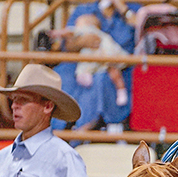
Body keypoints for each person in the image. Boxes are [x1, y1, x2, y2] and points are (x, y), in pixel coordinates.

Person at [52, 0, 140, 130]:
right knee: (62, 75)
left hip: (119, 66)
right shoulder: (84, 10)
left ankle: (88, 128)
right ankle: (60, 128)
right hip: (81, 62)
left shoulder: (133, 10)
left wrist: (122, 8)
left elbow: (141, 30)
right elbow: (66, 45)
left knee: (102, 79)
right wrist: (82, 42)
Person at [52, 13, 130, 106]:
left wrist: (56, 33)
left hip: (99, 56)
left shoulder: (85, 29)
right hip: (109, 56)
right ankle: (121, 90)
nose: (76, 24)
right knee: (114, 72)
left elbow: (69, 31)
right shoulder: (101, 34)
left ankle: (83, 75)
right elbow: (67, 45)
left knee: (85, 66)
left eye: (78, 23)